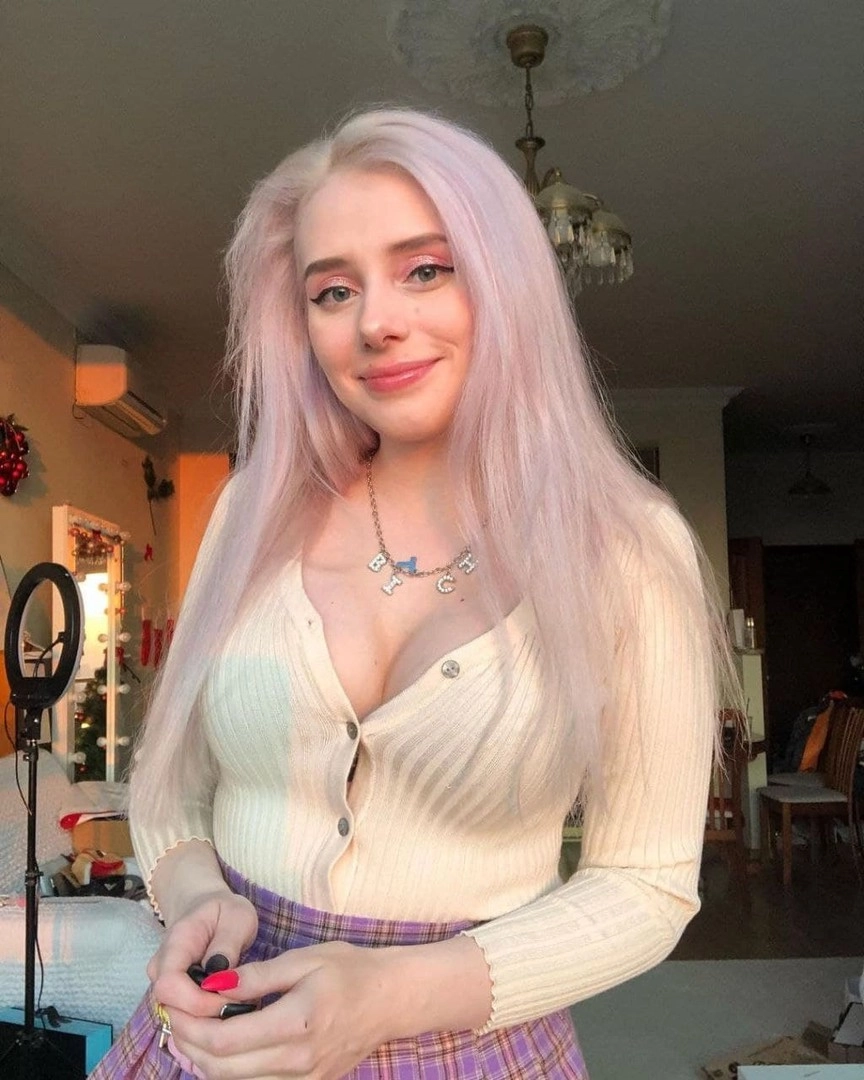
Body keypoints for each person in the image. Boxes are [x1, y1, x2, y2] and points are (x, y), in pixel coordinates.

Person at [92, 107, 727, 1079]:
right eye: (333, 290)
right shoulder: (250, 514)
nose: (376, 322)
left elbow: (646, 884)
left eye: (426, 269)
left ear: (507, 282)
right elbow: (168, 785)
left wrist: (392, 995)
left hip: (473, 1049)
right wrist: (195, 899)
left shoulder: (631, 553)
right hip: (216, 1036)